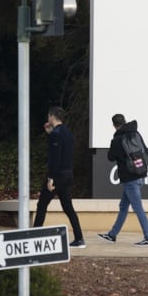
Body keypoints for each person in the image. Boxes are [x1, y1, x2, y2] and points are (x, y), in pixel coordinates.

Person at [98, 114, 148, 247]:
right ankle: (112, 235)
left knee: (138, 208)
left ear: (114, 125)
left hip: (129, 179)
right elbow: (145, 151)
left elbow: (110, 157)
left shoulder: (117, 139)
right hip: (140, 174)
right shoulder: (136, 133)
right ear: (124, 121)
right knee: (123, 207)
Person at [33, 106, 85, 248]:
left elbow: (55, 157)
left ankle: (34, 236)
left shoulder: (56, 134)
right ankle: (79, 238)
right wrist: (50, 133)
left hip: (57, 176)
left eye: (48, 116)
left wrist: (51, 178)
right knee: (68, 207)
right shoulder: (68, 132)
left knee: (42, 204)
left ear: (52, 117)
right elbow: (63, 150)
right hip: (68, 174)